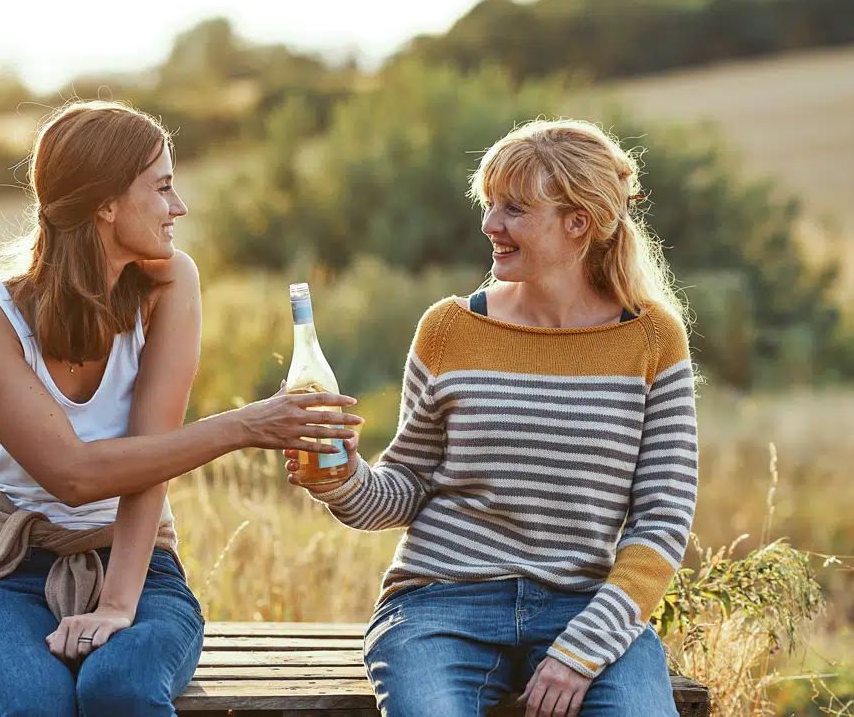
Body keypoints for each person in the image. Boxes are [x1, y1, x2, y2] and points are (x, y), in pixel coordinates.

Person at [0, 99, 362, 717]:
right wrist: (245, 424)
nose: (179, 207)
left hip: (139, 562)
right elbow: (73, 477)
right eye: (162, 187)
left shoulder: (170, 282)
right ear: (105, 203)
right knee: (33, 703)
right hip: (6, 567)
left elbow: (149, 459)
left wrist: (120, 603)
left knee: (120, 687)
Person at [290, 118, 698, 717]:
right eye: (488, 205)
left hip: (584, 604)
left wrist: (582, 651)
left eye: (512, 209)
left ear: (577, 223)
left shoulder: (653, 340)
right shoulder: (451, 328)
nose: (489, 225)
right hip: (440, 604)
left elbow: (662, 522)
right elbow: (407, 487)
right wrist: (342, 481)